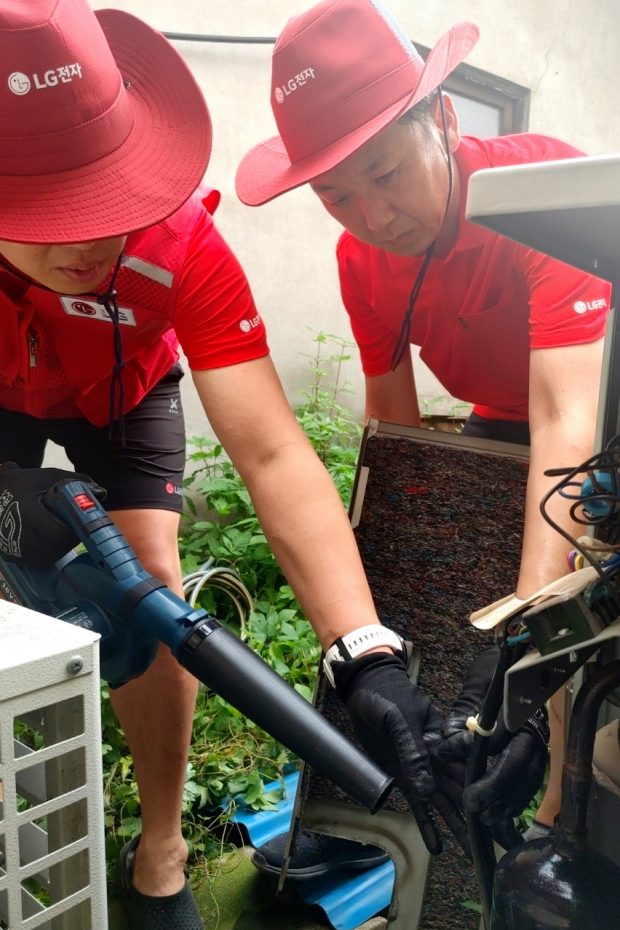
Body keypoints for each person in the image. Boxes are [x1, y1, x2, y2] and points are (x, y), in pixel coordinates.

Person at [0, 2, 531, 926]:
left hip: (122, 392)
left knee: (150, 581)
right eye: (47, 209)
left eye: (106, 200)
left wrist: (365, 657)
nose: (85, 239)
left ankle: (159, 843)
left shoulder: (182, 250)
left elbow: (277, 452)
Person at [236, 0, 609, 855]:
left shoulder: (542, 198)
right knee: (392, 557)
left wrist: (527, 624)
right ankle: (365, 799)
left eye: (387, 172)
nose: (373, 216)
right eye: (336, 195)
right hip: (500, 414)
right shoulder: (360, 257)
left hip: (594, 412)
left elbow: (565, 420)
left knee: (567, 591)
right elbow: (396, 435)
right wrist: (400, 560)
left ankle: (551, 816)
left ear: (441, 119)